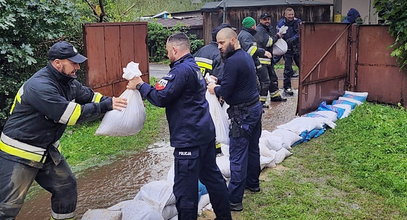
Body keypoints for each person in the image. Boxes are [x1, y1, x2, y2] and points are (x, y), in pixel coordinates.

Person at [0, 41, 128, 219]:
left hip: (46, 149)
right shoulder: (40, 86)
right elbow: (70, 115)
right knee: (7, 207)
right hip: (20, 152)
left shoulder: (68, 82)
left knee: (66, 187)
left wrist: (114, 101)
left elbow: (90, 96)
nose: (77, 66)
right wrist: (106, 106)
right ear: (57, 63)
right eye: (73, 62)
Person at [127, 32, 231, 220]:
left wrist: (140, 84)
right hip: (204, 134)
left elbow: (160, 97)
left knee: (185, 190)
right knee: (213, 179)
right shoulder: (193, 67)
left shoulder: (180, 70)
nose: (167, 55)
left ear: (175, 50)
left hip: (189, 139)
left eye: (168, 51)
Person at [208, 28, 262, 212]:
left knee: (238, 156)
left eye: (222, 43)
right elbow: (235, 80)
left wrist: (214, 88)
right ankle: (253, 183)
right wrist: (220, 80)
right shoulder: (245, 56)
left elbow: (227, 91)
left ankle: (234, 200)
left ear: (233, 40)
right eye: (217, 43)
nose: (219, 47)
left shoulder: (232, 61)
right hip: (255, 109)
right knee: (253, 149)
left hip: (243, 115)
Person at [194, 23, 233, 155]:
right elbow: (220, 77)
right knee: (215, 119)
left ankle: (202, 146)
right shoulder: (220, 53)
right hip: (211, 92)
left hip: (198, 92)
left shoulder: (201, 50)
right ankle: (215, 149)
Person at [238, 16, 272, 108]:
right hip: (250, 63)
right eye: (254, 25)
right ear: (252, 26)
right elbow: (250, 50)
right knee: (262, 82)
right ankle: (259, 104)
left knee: (262, 82)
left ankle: (260, 103)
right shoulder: (246, 35)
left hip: (252, 63)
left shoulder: (245, 34)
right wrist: (263, 52)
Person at [254, 13, 287, 102]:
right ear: (260, 20)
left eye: (268, 19)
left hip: (268, 59)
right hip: (261, 60)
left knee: (273, 78)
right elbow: (268, 42)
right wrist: (277, 36)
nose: (267, 21)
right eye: (265, 19)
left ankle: (275, 96)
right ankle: (261, 101)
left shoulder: (268, 29)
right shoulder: (260, 30)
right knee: (265, 81)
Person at [277, 7, 301, 96]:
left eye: (292, 14)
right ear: (285, 15)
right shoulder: (281, 23)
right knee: (288, 68)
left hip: (297, 48)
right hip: (287, 49)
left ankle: (303, 85)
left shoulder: (298, 22)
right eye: (289, 15)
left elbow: (300, 33)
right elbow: (278, 33)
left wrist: (293, 39)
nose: (291, 16)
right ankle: (287, 87)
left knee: (302, 67)